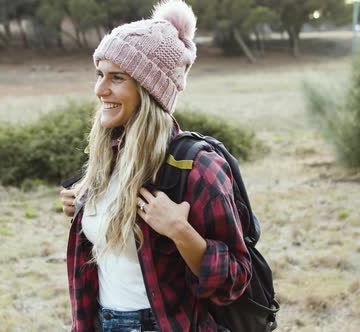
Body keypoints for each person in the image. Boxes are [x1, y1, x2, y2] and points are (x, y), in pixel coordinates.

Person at [59, 1, 251, 331]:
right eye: (100, 74)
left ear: (149, 90)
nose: (100, 89)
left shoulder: (198, 168)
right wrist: (85, 207)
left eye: (116, 78)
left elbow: (234, 280)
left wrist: (180, 231)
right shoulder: (110, 157)